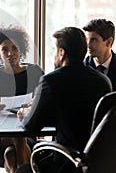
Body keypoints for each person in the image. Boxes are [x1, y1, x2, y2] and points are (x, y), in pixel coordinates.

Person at [18, 27, 112, 173]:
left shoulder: (50, 81)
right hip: (99, 164)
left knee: (22, 170)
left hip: (66, 163)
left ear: (61, 53)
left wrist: (25, 114)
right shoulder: (103, 81)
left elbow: (31, 127)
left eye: (54, 50)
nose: (53, 55)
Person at [0, 25, 44, 172]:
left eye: (14, 48)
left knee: (10, 154)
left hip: (26, 127)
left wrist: (33, 105)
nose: (10, 53)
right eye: (5, 49)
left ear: (21, 49)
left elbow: (44, 99)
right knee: (18, 137)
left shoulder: (34, 72)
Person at [83, 18, 116, 90]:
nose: (88, 45)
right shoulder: (81, 68)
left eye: (94, 40)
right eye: (86, 40)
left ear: (109, 42)